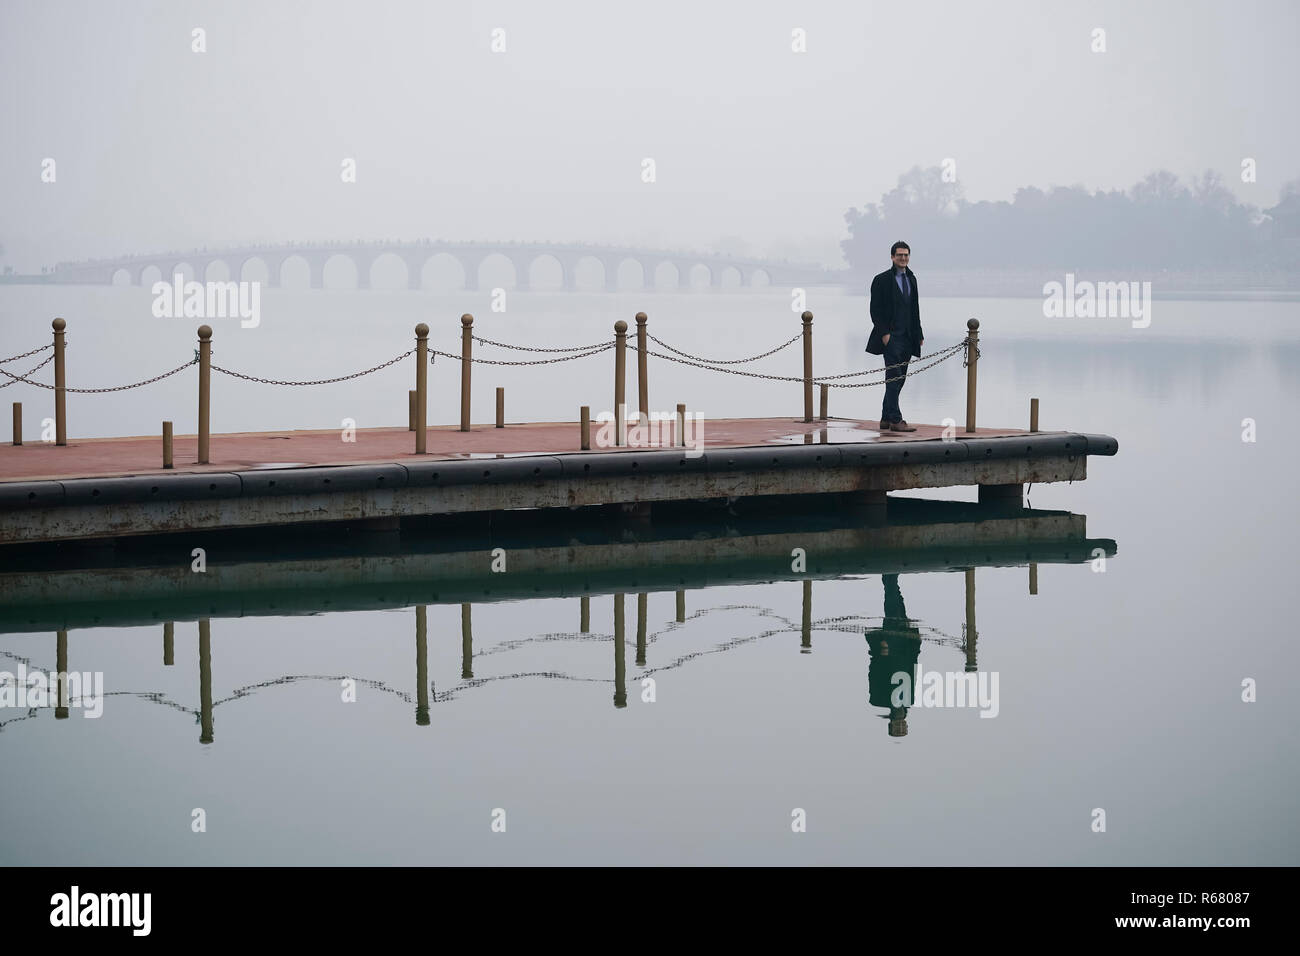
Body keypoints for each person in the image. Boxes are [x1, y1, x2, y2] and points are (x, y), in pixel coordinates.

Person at [865, 241, 925, 432]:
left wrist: (919, 334)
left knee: (900, 379)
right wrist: (885, 335)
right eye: (899, 255)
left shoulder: (912, 279)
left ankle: (885, 419)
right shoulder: (881, 280)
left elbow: (915, 309)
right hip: (891, 338)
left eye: (906, 255)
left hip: (908, 337)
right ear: (892, 257)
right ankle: (896, 420)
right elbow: (875, 311)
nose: (903, 258)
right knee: (893, 377)